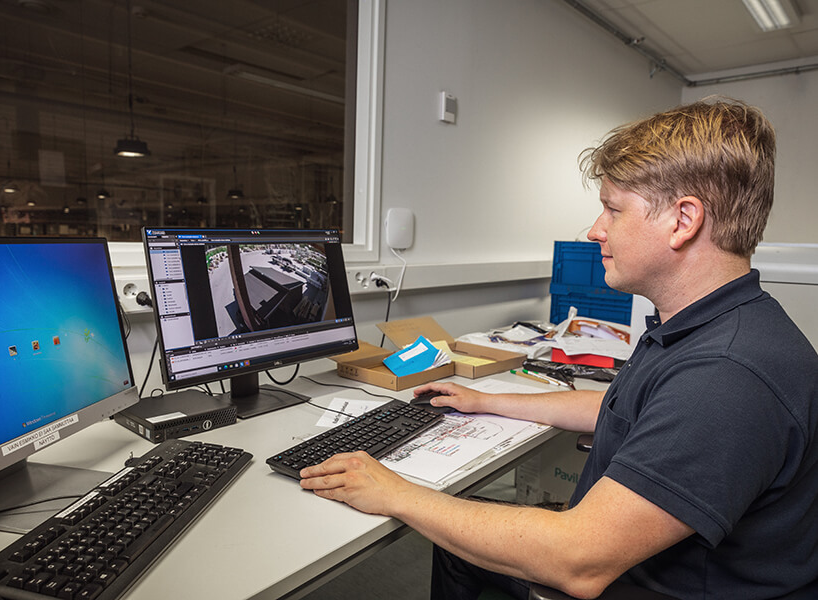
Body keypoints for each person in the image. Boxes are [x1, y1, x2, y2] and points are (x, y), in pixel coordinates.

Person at [300, 98, 818, 600]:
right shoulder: (713, 325)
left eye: (612, 210)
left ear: (683, 221)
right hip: (652, 559)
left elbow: (579, 562)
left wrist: (395, 492)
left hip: (649, 584)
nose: (596, 231)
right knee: (461, 536)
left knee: (449, 524)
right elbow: (631, 411)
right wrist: (486, 400)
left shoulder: (726, 374)